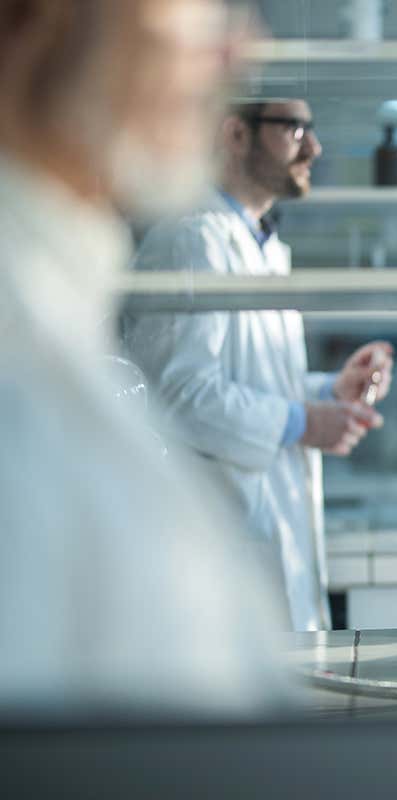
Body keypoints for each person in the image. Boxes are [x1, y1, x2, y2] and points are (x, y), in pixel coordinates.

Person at [0, 0, 291, 716]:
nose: (240, 48)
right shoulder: (23, 372)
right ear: (41, 19)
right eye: (199, 11)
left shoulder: (60, 308)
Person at [124, 98, 395, 632]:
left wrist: (329, 392)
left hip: (268, 528)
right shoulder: (191, 239)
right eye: (296, 129)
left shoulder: (262, 246)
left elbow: (248, 380)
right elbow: (179, 398)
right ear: (236, 134)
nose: (313, 147)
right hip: (218, 536)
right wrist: (306, 421)